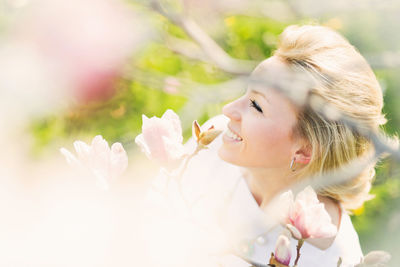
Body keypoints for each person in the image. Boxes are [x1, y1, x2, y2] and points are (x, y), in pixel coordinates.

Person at [212, 24, 386, 266]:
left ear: (305, 151)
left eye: (256, 105)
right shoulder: (211, 145)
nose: (228, 110)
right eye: (246, 91)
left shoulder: (336, 259)